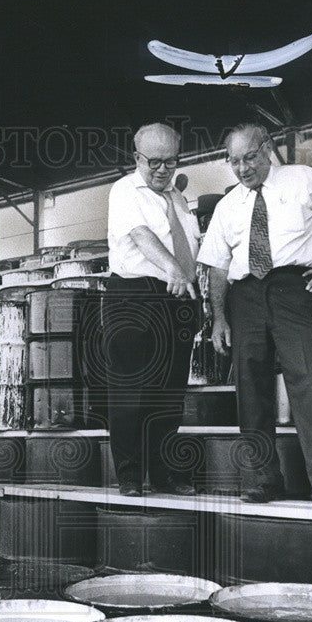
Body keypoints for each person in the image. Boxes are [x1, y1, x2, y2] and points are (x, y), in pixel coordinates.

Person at [198, 122, 312, 509]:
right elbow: (217, 267)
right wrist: (219, 318)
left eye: (249, 157)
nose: (242, 168)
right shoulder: (228, 204)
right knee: (251, 393)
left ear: (267, 148)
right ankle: (263, 480)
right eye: (233, 161)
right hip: (245, 296)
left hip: (295, 290)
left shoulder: (303, 178)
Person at [104, 122, 200, 497]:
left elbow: (188, 247)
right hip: (133, 294)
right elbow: (142, 236)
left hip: (177, 298)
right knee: (130, 390)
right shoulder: (124, 190)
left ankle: (164, 474)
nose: (162, 170)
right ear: (136, 158)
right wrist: (172, 269)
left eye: (171, 161)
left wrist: (191, 293)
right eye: (154, 162)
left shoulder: (178, 199)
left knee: (169, 392)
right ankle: (129, 476)